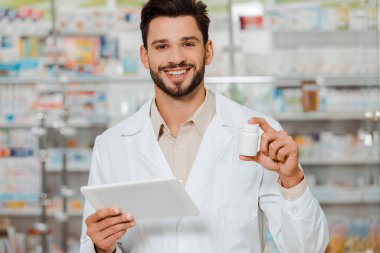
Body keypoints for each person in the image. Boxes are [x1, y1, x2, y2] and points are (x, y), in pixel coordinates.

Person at [80, 0, 329, 252]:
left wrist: (292, 180)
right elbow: (93, 242)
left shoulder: (258, 135)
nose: (176, 58)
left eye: (188, 44)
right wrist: (101, 248)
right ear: (145, 56)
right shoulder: (112, 145)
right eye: (162, 46)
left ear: (208, 51)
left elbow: (308, 248)